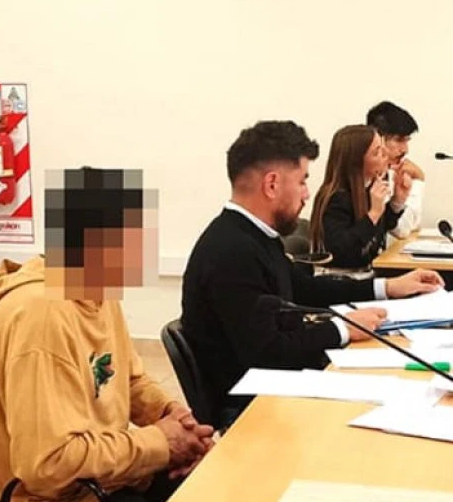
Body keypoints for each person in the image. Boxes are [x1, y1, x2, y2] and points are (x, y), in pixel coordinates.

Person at [0, 167, 214, 502]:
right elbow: (48, 463)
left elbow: (128, 379)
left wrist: (174, 418)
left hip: (104, 478)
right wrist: (159, 443)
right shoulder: (41, 316)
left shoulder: (96, 292)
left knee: (213, 497)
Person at [181, 121, 443, 431]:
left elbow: (304, 288)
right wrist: (343, 329)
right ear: (272, 185)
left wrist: (387, 287)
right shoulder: (231, 251)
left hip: (281, 386)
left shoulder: (255, 235)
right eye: (303, 181)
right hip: (253, 409)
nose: (307, 194)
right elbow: (268, 352)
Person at [309, 124, 407, 276]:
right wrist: (373, 214)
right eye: (377, 152)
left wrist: (397, 200)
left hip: (364, 273)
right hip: (340, 279)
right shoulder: (336, 197)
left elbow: (382, 228)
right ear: (357, 161)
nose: (385, 156)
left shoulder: (366, 189)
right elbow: (341, 251)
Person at [367, 101, 424, 238]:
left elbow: (410, 225)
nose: (405, 150)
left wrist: (400, 199)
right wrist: (418, 180)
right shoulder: (363, 178)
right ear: (376, 138)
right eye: (399, 140)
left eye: (407, 141)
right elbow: (401, 230)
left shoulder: (387, 174)